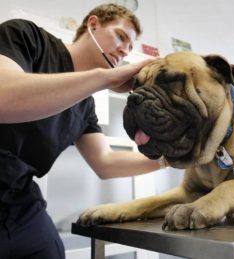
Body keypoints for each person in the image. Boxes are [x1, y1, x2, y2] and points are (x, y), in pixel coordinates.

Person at [0, 4, 165, 259]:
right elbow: (4, 96)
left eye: (130, 47)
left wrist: (170, 158)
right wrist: (105, 78)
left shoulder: (85, 105)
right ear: (93, 24)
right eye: (120, 36)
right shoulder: (26, 37)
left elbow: (105, 162)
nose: (124, 50)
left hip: (20, 202)